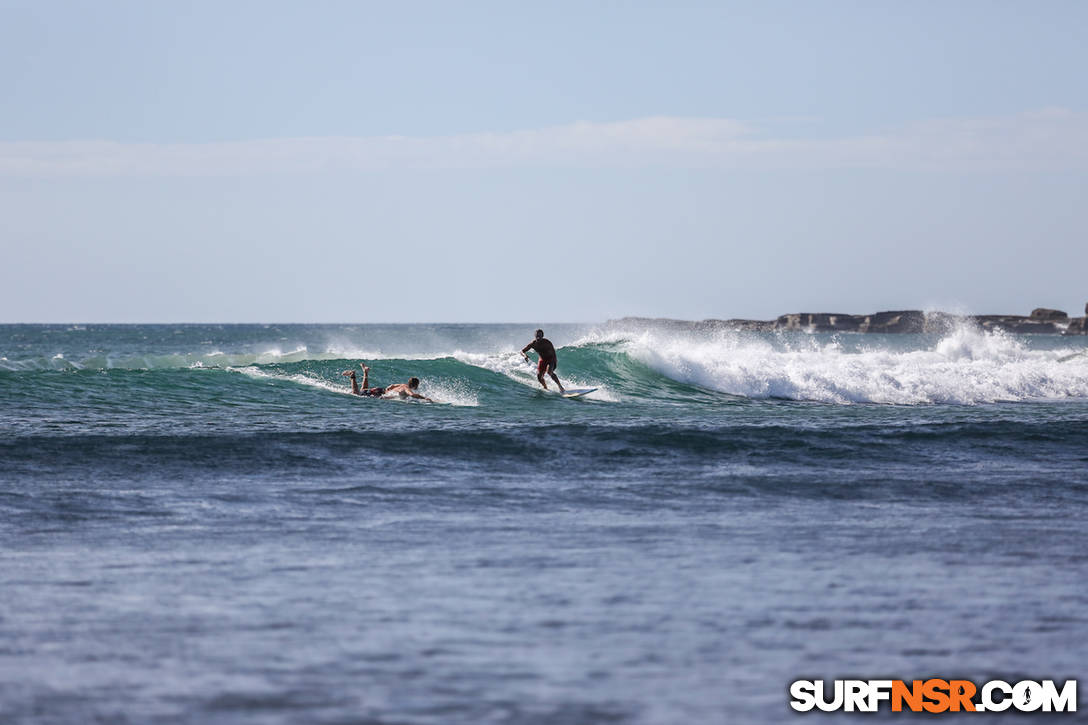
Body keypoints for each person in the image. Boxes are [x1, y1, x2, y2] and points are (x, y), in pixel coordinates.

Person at [341, 364, 434, 402]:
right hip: (380, 392)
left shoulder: (402, 384)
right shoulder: (406, 389)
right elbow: (413, 395)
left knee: (363, 390)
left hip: (381, 390)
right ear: (415, 385)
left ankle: (365, 372)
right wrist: (425, 398)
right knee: (356, 393)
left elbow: (391, 386)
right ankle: (352, 375)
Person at [521, 329, 565, 394]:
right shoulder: (533, 344)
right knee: (539, 376)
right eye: (537, 336)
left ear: (542, 336)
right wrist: (525, 356)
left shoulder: (547, 342)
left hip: (551, 359)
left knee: (549, 372)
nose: (538, 337)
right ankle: (545, 388)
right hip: (542, 360)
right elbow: (522, 351)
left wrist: (553, 363)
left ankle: (560, 387)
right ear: (535, 336)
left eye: (540, 336)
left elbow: (553, 353)